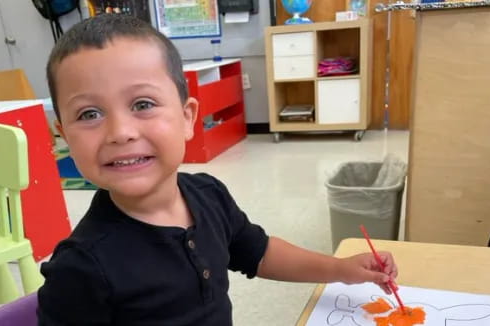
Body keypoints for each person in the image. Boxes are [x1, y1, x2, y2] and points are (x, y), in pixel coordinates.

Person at [37, 14, 398, 325]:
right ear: (64, 135)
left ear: (186, 117)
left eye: (142, 104)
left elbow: (259, 252)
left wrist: (342, 269)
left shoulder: (208, 194)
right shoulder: (81, 267)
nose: (120, 132)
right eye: (89, 114)